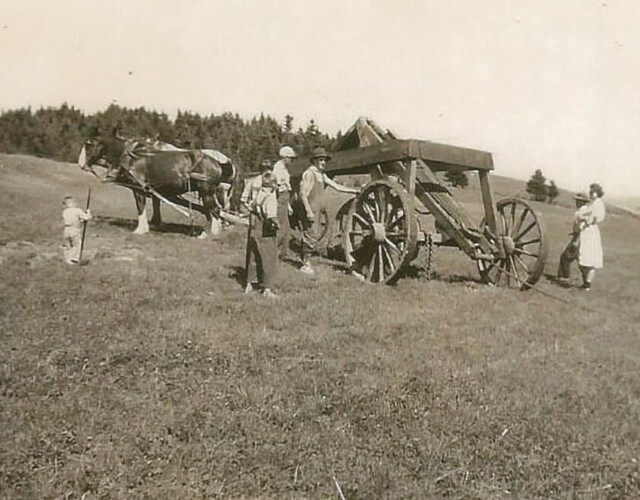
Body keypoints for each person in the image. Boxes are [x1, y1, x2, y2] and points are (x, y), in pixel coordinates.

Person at [294, 146, 359, 274]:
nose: (323, 162)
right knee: (310, 234)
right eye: (320, 160)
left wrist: (354, 190)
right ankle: (305, 264)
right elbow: (303, 193)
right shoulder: (309, 173)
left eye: (324, 160)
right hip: (310, 207)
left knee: (315, 234)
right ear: (314, 161)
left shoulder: (321, 175)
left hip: (317, 209)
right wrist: (307, 210)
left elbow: (336, 186)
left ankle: (306, 261)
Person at [245, 171, 279, 298]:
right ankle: (267, 288)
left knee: (254, 256)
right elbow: (271, 216)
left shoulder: (259, 194)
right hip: (266, 229)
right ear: (274, 184)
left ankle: (250, 283)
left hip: (255, 228)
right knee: (268, 257)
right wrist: (277, 224)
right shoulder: (270, 198)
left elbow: (250, 206)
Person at [578, 183, 606, 289]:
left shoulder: (598, 204)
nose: (592, 194)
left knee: (591, 257)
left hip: (591, 232)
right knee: (583, 257)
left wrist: (586, 219)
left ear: (598, 193)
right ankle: (586, 282)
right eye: (591, 192)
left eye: (594, 192)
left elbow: (594, 218)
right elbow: (582, 214)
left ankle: (587, 283)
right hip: (585, 231)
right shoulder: (591, 203)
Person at [272, 146, 296, 260]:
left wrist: (289, 206)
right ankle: (274, 253)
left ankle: (283, 253)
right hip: (281, 197)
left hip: (285, 198)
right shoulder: (278, 168)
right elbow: (275, 185)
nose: (292, 160)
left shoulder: (284, 168)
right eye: (290, 158)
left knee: (286, 228)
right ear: (285, 157)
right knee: (281, 227)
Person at [61, 195, 91, 265]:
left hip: (66, 229)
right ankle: (74, 259)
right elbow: (86, 218)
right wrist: (88, 213)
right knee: (76, 244)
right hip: (74, 229)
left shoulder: (65, 212)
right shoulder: (77, 210)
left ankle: (67, 259)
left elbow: (74, 219)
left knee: (67, 245)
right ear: (72, 203)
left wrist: (80, 220)